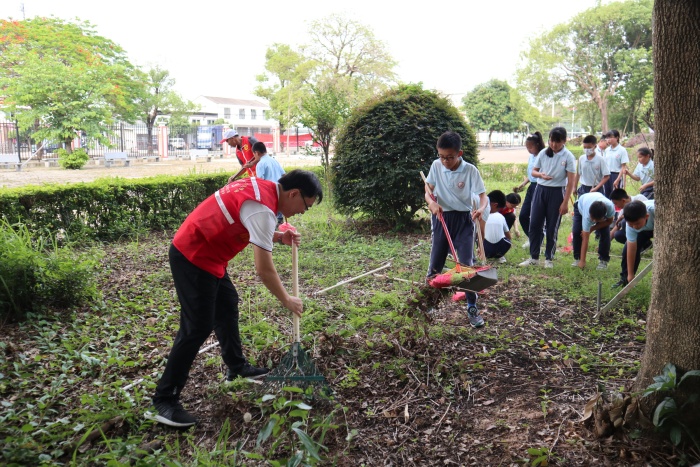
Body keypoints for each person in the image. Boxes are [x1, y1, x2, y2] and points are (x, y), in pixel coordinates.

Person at [147, 170, 323, 428]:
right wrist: (287, 299)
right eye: (305, 206)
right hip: (193, 255)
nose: (302, 213)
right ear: (294, 194)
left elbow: (247, 222)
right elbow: (263, 270)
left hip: (211, 255)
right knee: (197, 327)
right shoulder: (263, 209)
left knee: (227, 304)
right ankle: (164, 400)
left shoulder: (262, 189)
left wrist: (278, 236)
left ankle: (236, 367)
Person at [425, 131, 488, 328]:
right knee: (436, 262)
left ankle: (472, 307)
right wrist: (432, 204)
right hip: (442, 217)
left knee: (466, 265)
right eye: (441, 156)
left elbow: (483, 196)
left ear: (459, 154)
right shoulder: (436, 166)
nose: (445, 161)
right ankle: (430, 303)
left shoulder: (470, 170)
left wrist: (481, 209)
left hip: (464, 220)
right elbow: (428, 190)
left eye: (449, 157)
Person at [519, 127, 576, 268]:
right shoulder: (543, 153)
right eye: (551, 141)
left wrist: (565, 202)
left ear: (564, 141)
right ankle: (534, 258)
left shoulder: (568, 156)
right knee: (534, 224)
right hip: (540, 190)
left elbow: (571, 182)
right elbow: (534, 171)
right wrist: (541, 175)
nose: (554, 144)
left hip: (557, 192)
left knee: (552, 226)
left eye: (557, 141)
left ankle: (549, 258)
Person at [613, 200, 654, 288]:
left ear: (646, 216)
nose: (634, 227)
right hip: (644, 230)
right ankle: (625, 279)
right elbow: (631, 249)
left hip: (658, 227)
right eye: (631, 224)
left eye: (637, 223)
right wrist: (630, 274)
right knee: (626, 250)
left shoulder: (655, 211)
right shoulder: (630, 225)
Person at [571, 192, 615, 270]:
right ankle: (578, 258)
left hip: (597, 203)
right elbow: (585, 239)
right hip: (581, 204)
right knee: (577, 232)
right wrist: (582, 261)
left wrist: (593, 228)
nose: (593, 221)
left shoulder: (610, 207)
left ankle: (603, 260)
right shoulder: (587, 215)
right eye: (592, 218)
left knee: (605, 233)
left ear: (603, 217)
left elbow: (609, 221)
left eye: (596, 220)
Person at [516, 132, 546, 249]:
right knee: (523, 215)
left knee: (536, 217)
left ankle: (537, 240)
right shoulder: (531, 157)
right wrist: (523, 184)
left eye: (530, 147)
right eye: (527, 147)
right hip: (532, 187)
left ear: (537, 145)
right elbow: (531, 174)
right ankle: (533, 238)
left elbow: (541, 174)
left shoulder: (543, 156)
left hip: (541, 187)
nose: (528, 150)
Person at [252, 141, 286, 224]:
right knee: (278, 211)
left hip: (269, 191)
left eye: (254, 154)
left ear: (257, 153)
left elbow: (260, 182)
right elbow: (284, 174)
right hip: (279, 189)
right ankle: (280, 222)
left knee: (271, 212)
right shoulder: (274, 160)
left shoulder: (260, 164)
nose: (254, 157)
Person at [483, 190, 512, 263]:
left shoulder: (480, 213)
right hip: (500, 250)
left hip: (485, 249)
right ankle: (500, 256)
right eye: (498, 209)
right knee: (507, 241)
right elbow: (508, 236)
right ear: (495, 205)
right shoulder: (500, 216)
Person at [603, 130, 629, 196]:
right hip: (607, 175)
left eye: (611, 137)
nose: (608, 140)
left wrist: (617, 179)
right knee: (606, 195)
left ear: (617, 138)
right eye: (607, 138)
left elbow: (623, 166)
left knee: (616, 195)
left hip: (616, 174)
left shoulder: (622, 150)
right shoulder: (607, 150)